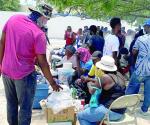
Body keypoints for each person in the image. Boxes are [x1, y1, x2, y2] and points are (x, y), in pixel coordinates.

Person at [0, 3, 62, 125]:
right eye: (47, 19)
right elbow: (43, 62)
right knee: (25, 108)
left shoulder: (14, 19)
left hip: (6, 71)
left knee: (11, 104)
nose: (47, 22)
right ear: (42, 16)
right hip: (24, 75)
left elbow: (2, 42)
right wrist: (52, 83)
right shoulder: (39, 34)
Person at [126, 19, 150, 116]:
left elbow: (134, 51)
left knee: (132, 88)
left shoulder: (140, 38)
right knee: (148, 91)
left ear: (147, 27)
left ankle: (126, 106)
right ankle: (144, 110)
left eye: (145, 26)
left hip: (140, 70)